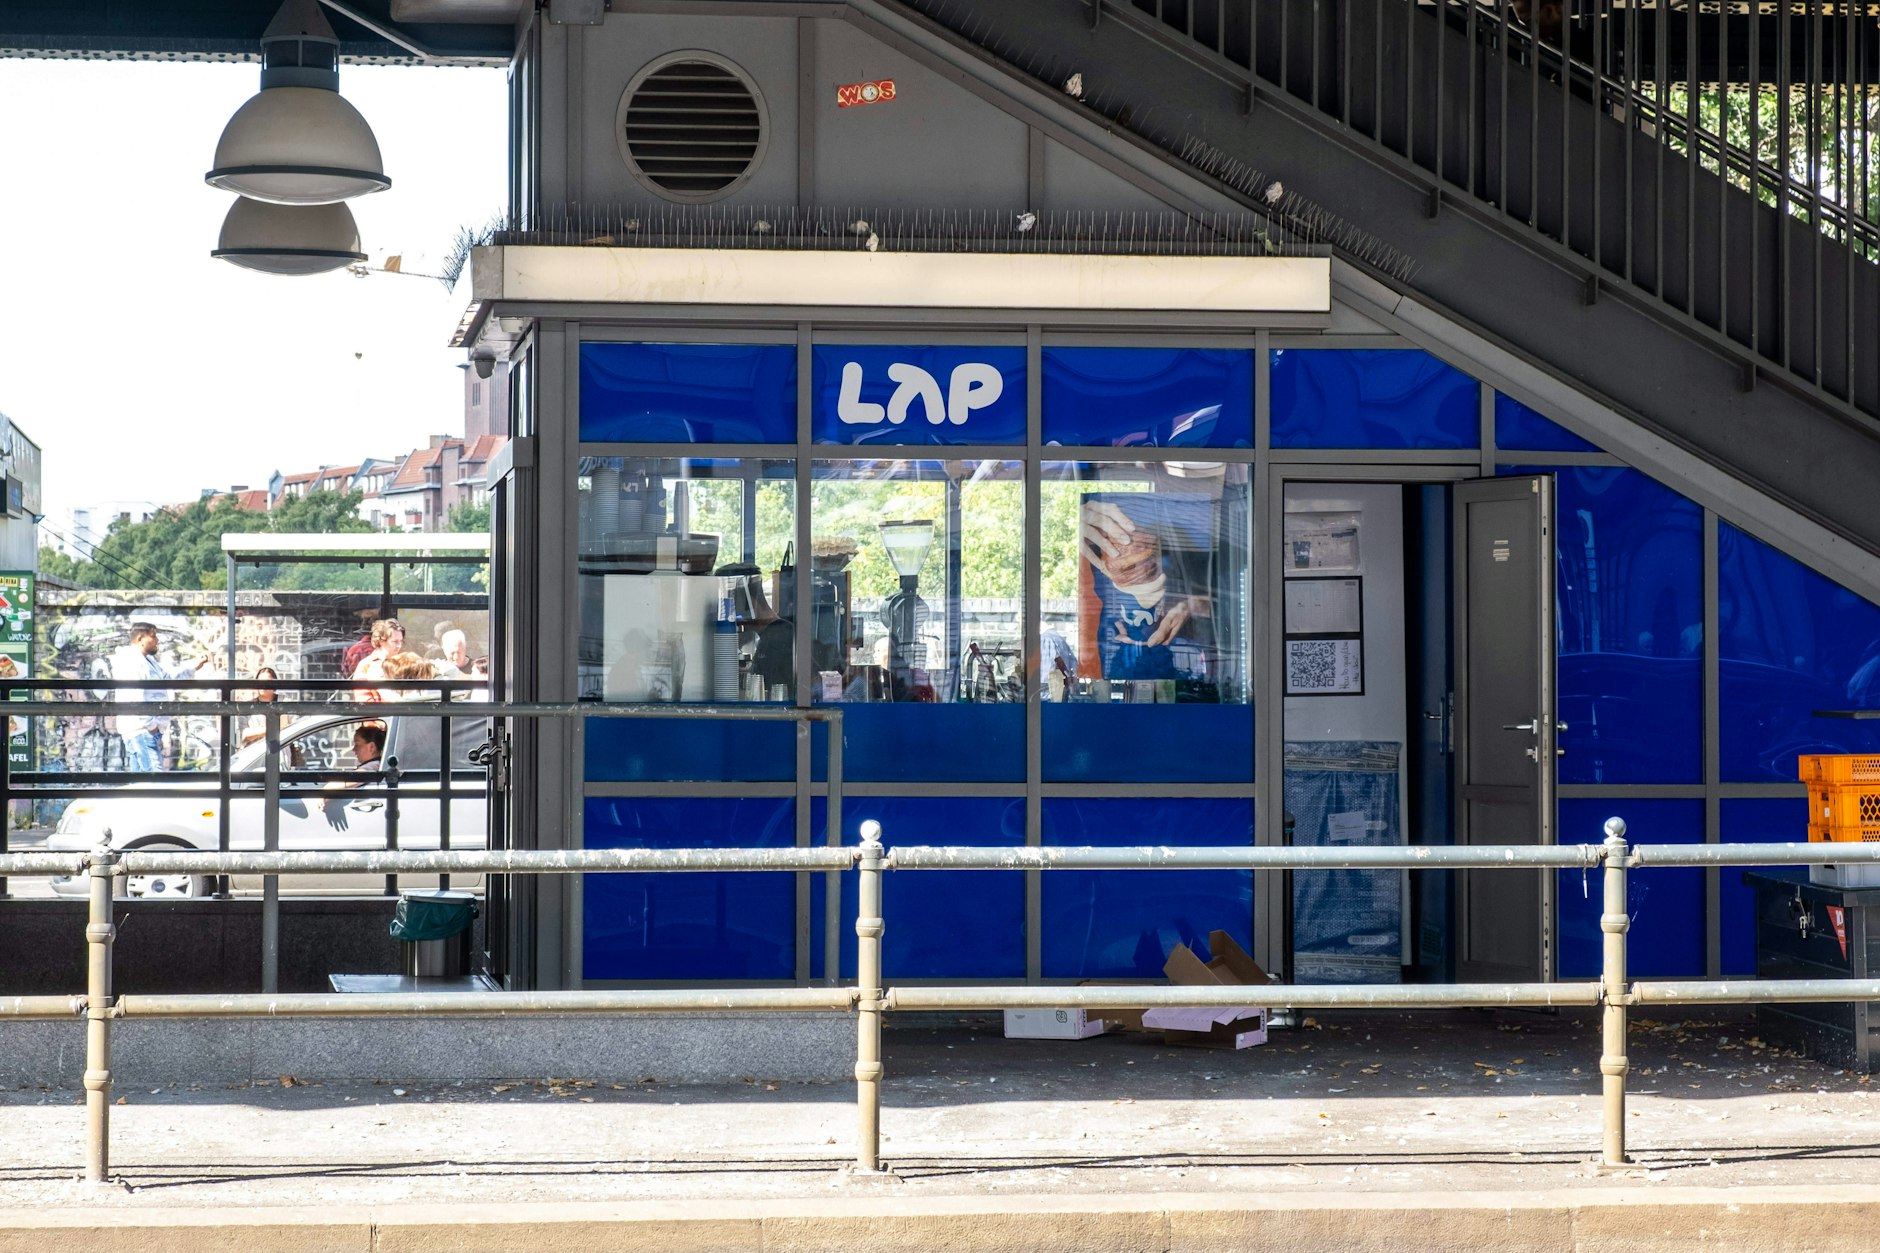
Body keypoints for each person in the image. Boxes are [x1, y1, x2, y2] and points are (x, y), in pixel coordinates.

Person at [110, 621, 209, 772]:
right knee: (153, 784)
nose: (157, 640)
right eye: (153, 636)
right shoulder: (132, 662)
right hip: (142, 731)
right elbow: (134, 697)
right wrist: (151, 726)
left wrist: (194, 666)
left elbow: (168, 677)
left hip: (145, 731)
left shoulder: (147, 661)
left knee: (142, 786)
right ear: (140, 639)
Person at [316, 722, 385, 818]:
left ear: (371, 747)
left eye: (357, 744)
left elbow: (357, 777)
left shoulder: (374, 766)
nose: (354, 749)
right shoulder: (375, 764)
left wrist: (326, 790)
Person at [351, 618, 405, 702]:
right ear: (381, 641)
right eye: (395, 641)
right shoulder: (366, 665)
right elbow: (364, 700)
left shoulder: (403, 663)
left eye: (401, 641)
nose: (399, 646)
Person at [239, 666, 279, 748]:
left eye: (267, 682)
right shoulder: (247, 707)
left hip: (280, 754)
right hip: (255, 754)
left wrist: (257, 733)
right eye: (260, 682)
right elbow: (245, 734)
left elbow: (292, 729)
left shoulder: (285, 703)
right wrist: (272, 729)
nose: (263, 685)